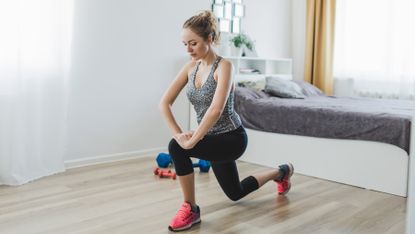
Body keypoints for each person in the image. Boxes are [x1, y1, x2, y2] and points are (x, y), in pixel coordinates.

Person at [159, 10, 294, 232]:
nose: (188, 49)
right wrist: (180, 134)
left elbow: (216, 110)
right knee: (235, 193)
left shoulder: (224, 67)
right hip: (211, 138)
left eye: (193, 43)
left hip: (232, 138)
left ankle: (191, 209)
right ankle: (281, 172)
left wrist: (191, 141)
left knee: (177, 149)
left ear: (210, 39)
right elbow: (164, 103)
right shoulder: (190, 68)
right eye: (185, 44)